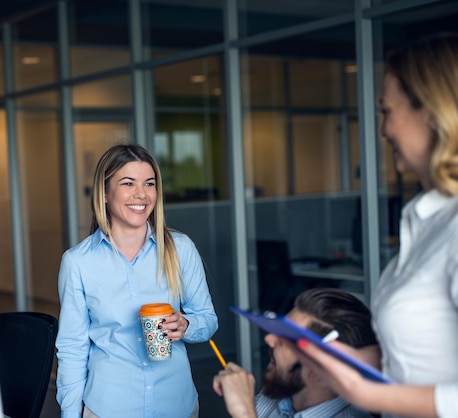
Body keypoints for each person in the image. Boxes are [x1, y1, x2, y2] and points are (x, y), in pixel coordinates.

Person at [290, 32, 458, 418]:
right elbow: (420, 356)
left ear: (432, 113)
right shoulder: (426, 219)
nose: (382, 131)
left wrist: (370, 396)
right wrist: (351, 359)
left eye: (386, 111)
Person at [55, 143, 218, 418]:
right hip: (108, 407)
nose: (141, 194)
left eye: (149, 184)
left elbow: (208, 319)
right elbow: (72, 349)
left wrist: (186, 324)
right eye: (128, 183)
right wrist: (70, 415)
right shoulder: (78, 262)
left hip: (176, 404)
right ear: (105, 193)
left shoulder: (180, 248)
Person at [213, 288, 377, 418]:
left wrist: (244, 412)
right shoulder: (277, 393)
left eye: (288, 336)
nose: (269, 338)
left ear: (324, 365)